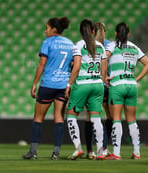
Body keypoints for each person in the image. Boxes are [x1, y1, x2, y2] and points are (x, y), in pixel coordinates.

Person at [22, 17, 74, 160]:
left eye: (47, 28)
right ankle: (56, 153)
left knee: (38, 118)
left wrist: (34, 83)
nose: (45, 31)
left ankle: (33, 152)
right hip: (63, 86)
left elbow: (41, 64)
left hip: (48, 85)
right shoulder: (70, 44)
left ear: (54, 29)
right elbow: (73, 65)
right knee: (59, 118)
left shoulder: (47, 42)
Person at [104, 22, 148, 160]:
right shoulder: (134, 47)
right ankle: (136, 152)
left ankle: (116, 153)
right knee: (132, 120)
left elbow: (103, 58)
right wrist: (136, 79)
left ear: (115, 33)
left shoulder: (112, 45)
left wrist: (104, 76)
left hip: (117, 84)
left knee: (116, 119)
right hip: (131, 84)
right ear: (128, 34)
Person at [65, 18, 107, 160]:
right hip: (97, 85)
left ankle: (78, 148)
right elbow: (104, 69)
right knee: (96, 119)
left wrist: (69, 84)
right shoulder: (100, 46)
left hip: (82, 84)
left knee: (71, 116)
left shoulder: (78, 46)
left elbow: (76, 67)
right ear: (94, 31)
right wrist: (100, 81)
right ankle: (100, 151)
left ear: (81, 32)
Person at [83, 22, 112, 159]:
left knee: (91, 117)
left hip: (92, 83)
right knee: (109, 117)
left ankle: (90, 150)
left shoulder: (89, 44)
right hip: (106, 85)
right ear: (105, 31)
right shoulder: (109, 45)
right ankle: (104, 147)